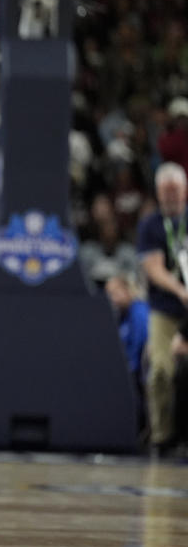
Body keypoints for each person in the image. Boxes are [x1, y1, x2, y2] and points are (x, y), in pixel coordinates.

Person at [138, 162, 188, 456]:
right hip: (166, 309)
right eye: (165, 191)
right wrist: (181, 291)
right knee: (160, 369)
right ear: (157, 193)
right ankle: (161, 436)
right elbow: (153, 270)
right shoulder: (150, 225)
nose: (170, 197)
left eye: (175, 191)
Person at [105, 274, 150, 440]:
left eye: (114, 293)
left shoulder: (139, 312)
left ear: (127, 290)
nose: (111, 299)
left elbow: (138, 346)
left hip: (137, 373)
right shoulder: (121, 315)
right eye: (108, 294)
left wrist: (125, 372)